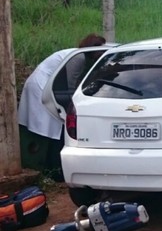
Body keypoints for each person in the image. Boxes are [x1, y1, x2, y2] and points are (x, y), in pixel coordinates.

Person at [18, 33, 106, 177]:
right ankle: (49, 168)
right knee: (50, 125)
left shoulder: (80, 56)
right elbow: (70, 84)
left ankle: (50, 168)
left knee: (51, 125)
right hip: (42, 84)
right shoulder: (78, 57)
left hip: (48, 83)